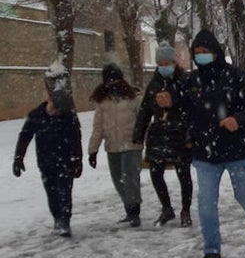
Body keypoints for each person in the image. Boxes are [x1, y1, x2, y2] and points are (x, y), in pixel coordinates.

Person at [171, 28, 245, 258]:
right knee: (206, 203)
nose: (201, 55)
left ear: (215, 52)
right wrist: (169, 107)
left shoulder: (238, 77)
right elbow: (180, 112)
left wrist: (239, 119)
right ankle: (212, 251)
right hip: (205, 153)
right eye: (197, 52)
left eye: (205, 51)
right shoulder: (189, 82)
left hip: (238, 150)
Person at [133, 42, 194, 227]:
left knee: (183, 174)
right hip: (158, 135)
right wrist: (138, 133)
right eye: (161, 64)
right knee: (156, 173)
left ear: (174, 63)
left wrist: (172, 103)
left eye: (167, 63)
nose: (164, 66)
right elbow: (145, 111)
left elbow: (192, 107)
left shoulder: (184, 81)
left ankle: (185, 210)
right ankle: (166, 208)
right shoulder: (154, 85)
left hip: (180, 135)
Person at [13, 87, 83, 236]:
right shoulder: (36, 115)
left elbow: (76, 139)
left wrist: (78, 160)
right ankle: (57, 218)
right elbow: (24, 137)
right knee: (52, 193)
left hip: (66, 162)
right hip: (46, 162)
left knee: (64, 192)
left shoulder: (68, 117)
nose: (56, 112)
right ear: (49, 101)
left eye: (59, 110)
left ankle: (65, 221)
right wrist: (18, 158)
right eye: (54, 108)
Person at [88, 64, 144, 227]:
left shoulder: (134, 98)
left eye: (115, 79)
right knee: (118, 178)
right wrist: (93, 150)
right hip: (112, 145)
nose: (112, 83)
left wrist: (143, 139)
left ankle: (134, 211)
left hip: (131, 144)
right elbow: (98, 127)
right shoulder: (102, 101)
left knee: (129, 177)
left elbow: (143, 121)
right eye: (109, 80)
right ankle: (128, 208)